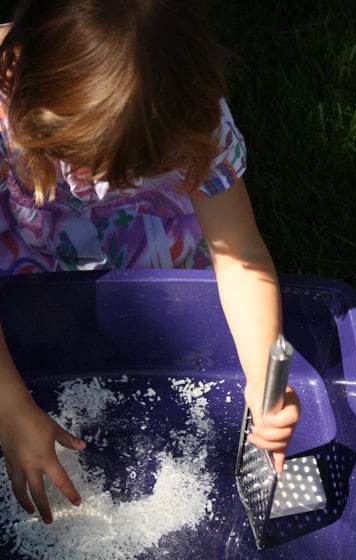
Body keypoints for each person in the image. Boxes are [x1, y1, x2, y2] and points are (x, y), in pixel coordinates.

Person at [0, 0, 300, 525]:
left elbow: (243, 258)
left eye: (144, 166)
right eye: (91, 161)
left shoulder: (192, 119)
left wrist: (259, 375)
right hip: (34, 235)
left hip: (148, 237)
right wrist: (10, 406)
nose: (106, 185)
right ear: (30, 101)